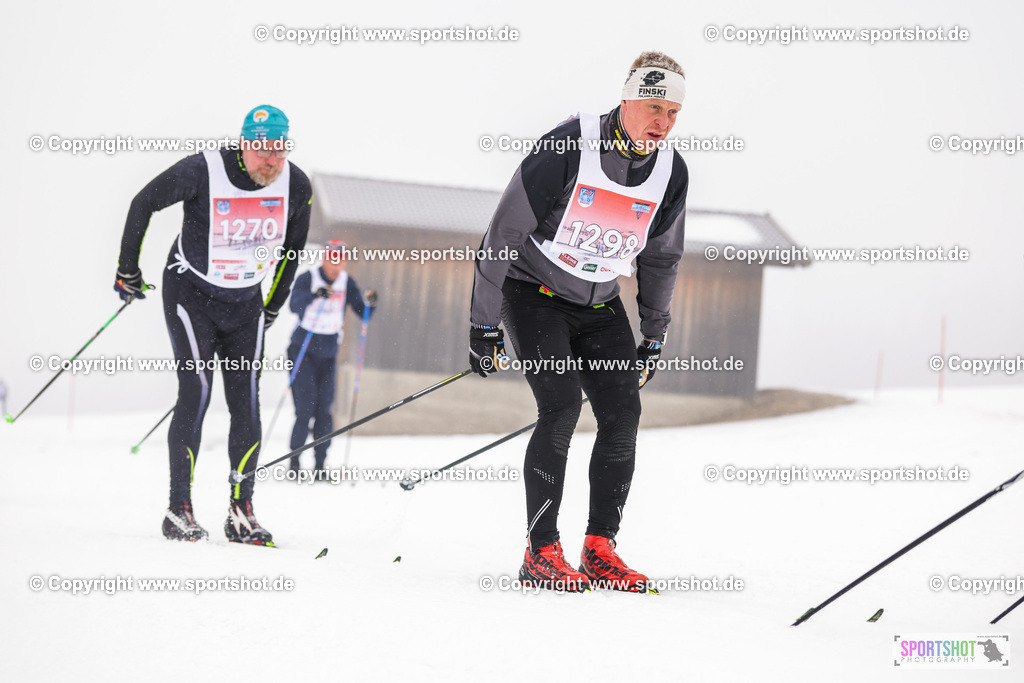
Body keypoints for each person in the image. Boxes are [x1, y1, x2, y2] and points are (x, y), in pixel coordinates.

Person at [468, 52, 689, 592]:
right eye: (653, 107)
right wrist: (483, 324)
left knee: (622, 415)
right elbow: (503, 234)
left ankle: (599, 547)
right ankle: (540, 551)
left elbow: (659, 257)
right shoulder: (569, 146)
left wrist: (654, 333)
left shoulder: (670, 172)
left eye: (673, 113)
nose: (662, 122)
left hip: (600, 303)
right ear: (628, 98)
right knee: (562, 406)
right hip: (533, 292)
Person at [114, 105, 312, 545]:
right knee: (198, 390)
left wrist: (273, 306)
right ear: (244, 144)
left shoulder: (295, 185)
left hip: (245, 304)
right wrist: (128, 270)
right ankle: (178, 509)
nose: (271, 160)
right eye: (262, 149)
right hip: (191, 295)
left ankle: (241, 513)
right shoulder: (203, 170)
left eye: (279, 149)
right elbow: (143, 201)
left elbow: (292, 251)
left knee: (246, 401)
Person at [286, 239, 376, 475]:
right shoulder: (308, 278)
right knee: (304, 407)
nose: (335, 267)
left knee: (324, 410)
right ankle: (295, 461)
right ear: (325, 259)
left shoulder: (347, 282)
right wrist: (315, 295)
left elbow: (362, 312)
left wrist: (370, 303)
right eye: (332, 260)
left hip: (328, 354)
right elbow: (294, 306)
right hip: (302, 350)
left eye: (340, 262)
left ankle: (320, 463)